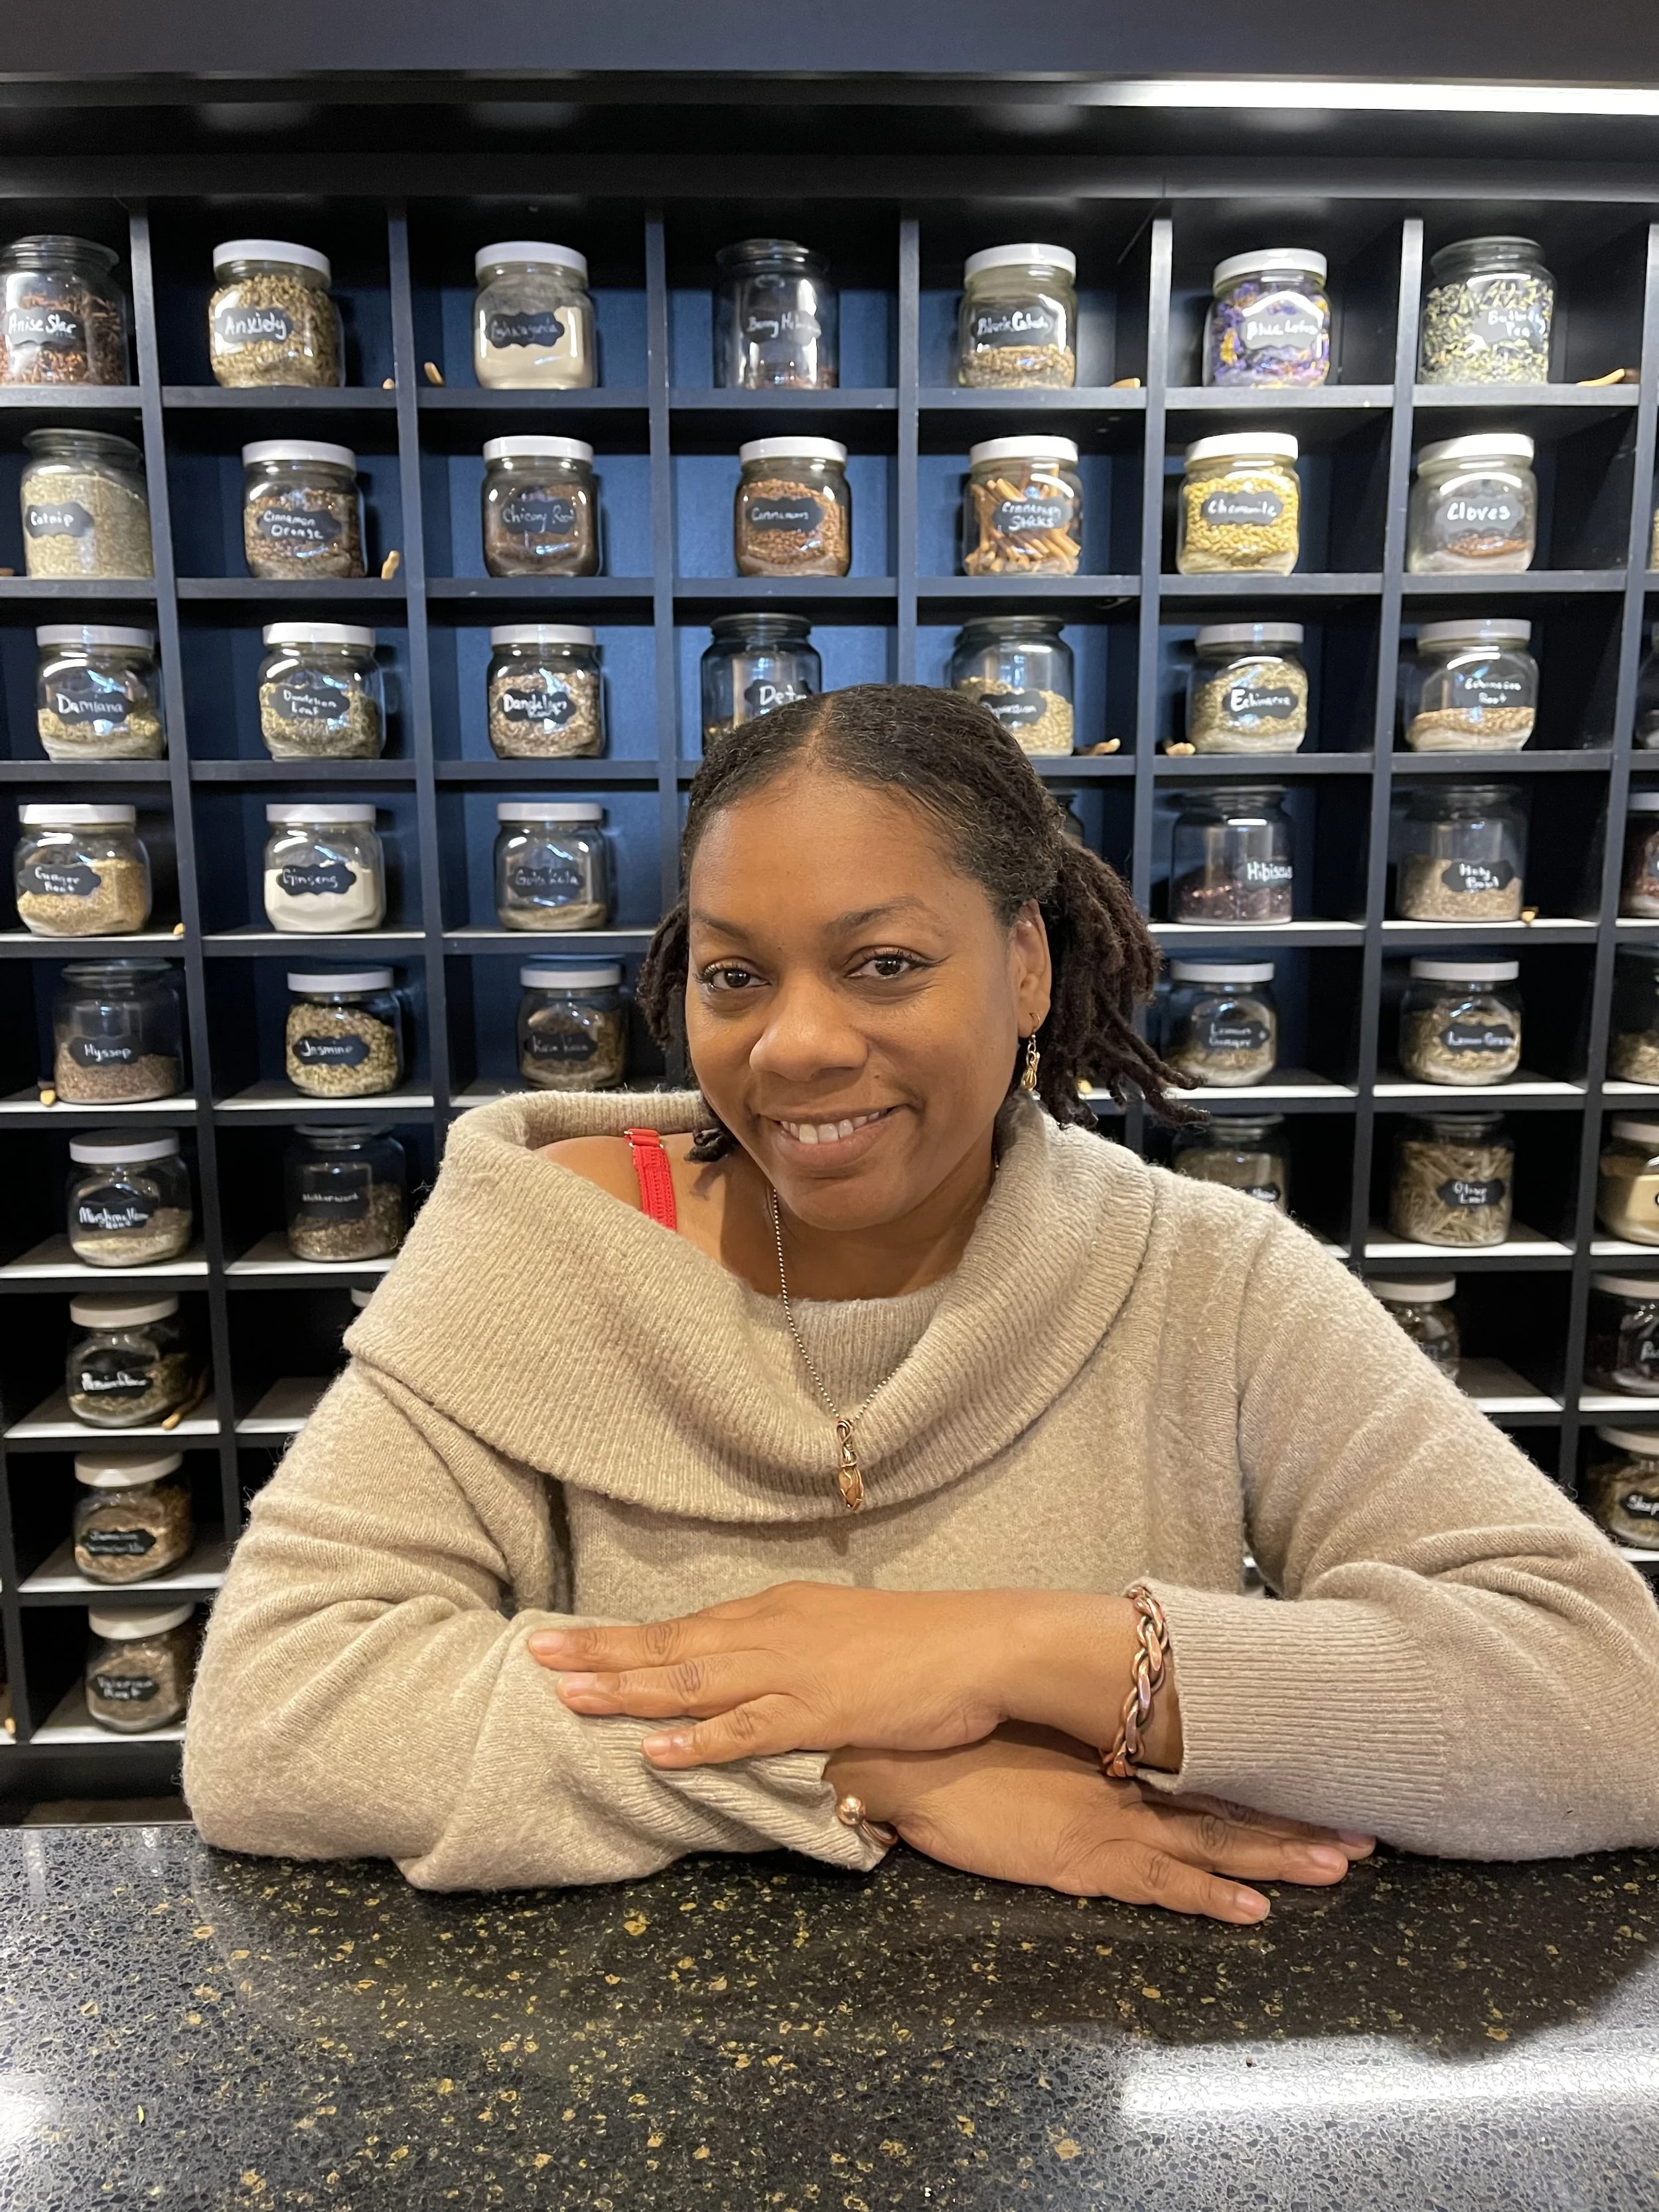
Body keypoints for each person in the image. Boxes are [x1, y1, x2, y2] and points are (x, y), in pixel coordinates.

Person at [184, 686, 1659, 1921]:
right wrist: (865, 1762)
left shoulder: (1207, 1276)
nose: (794, 1045)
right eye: (734, 975)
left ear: (1024, 965)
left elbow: (1605, 1703)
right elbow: (280, 1712)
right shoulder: (543, 1247)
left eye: (884, 963)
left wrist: (1008, 1650)